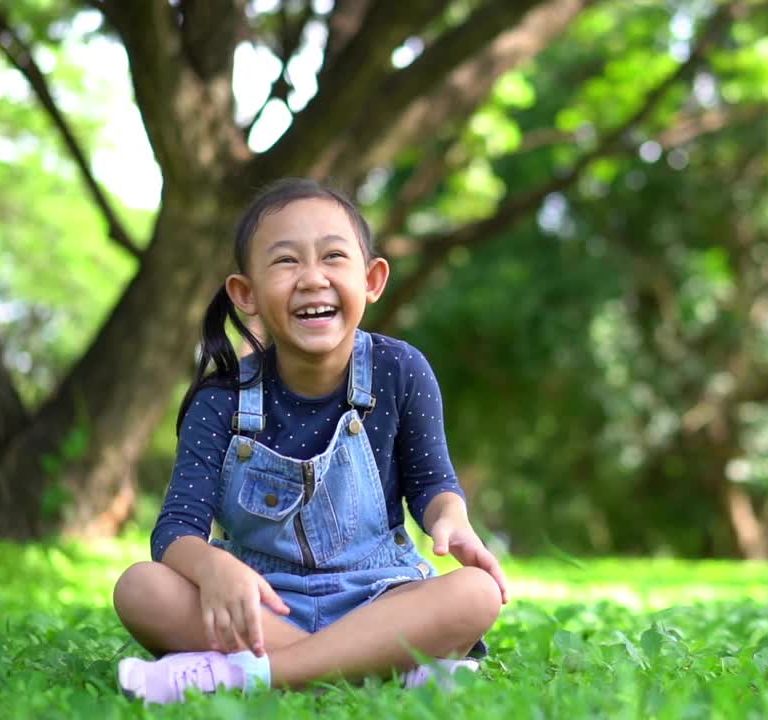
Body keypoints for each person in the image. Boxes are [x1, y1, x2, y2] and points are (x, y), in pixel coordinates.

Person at [112, 179, 508, 704]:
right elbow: (176, 530)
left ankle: (243, 676)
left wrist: (451, 521)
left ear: (372, 279)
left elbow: (434, 484)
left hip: (381, 596)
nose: (312, 278)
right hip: (260, 604)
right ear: (245, 294)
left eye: (333, 257)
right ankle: (383, 666)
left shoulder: (400, 370)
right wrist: (213, 567)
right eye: (285, 262)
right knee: (139, 587)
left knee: (476, 593)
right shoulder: (220, 398)